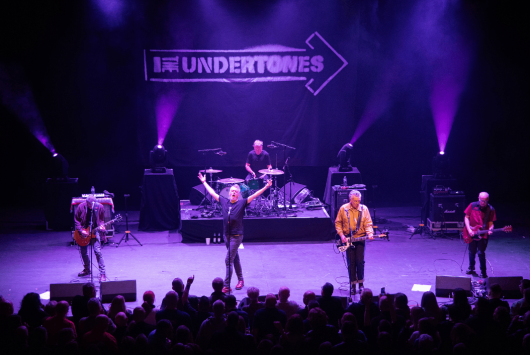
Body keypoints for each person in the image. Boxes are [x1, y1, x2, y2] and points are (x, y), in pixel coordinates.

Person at [199, 171, 272, 293]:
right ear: (229, 193)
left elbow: (255, 195)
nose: (233, 193)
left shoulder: (242, 203)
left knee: (228, 260)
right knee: (235, 258)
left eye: (235, 192)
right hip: (226, 235)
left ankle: (226, 285)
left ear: (238, 195)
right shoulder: (223, 201)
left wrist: (266, 186)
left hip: (237, 236)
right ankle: (241, 280)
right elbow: (212, 193)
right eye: (232, 191)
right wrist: (204, 182)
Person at [334, 190, 374, 294]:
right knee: (351, 263)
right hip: (348, 238)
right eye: (355, 201)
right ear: (350, 200)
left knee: (360, 262)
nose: (357, 203)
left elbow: (368, 223)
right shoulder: (344, 209)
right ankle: (352, 285)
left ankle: (361, 284)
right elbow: (338, 223)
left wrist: (369, 233)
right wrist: (342, 235)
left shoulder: (364, 209)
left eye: (359, 201)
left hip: (360, 238)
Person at [74, 195, 107, 281]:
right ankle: (87, 269)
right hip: (83, 232)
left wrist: (102, 227)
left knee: (98, 251)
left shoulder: (100, 207)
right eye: (89, 203)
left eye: (92, 203)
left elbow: (101, 220)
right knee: (83, 252)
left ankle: (102, 273)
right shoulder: (81, 206)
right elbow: (76, 219)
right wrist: (81, 231)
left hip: (94, 232)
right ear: (86, 202)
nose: (91, 205)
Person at [464, 192, 496, 278]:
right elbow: (466, 217)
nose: (482, 202)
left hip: (483, 234)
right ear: (478, 198)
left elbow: (491, 222)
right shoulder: (472, 205)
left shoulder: (491, 209)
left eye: (484, 201)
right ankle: (471, 267)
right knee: (471, 251)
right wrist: (469, 229)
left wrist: (490, 229)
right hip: (471, 232)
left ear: (487, 200)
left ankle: (483, 271)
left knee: (481, 252)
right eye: (481, 200)